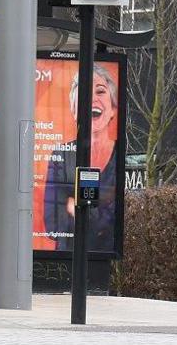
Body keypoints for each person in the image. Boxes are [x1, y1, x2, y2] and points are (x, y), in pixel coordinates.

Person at [42, 63, 119, 252]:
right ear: (74, 111)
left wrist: (72, 206)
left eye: (100, 91)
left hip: (103, 260)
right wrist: (98, 207)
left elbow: (113, 221)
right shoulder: (61, 154)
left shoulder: (120, 157)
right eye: (84, 93)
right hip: (65, 259)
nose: (92, 99)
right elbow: (52, 223)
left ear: (113, 108)